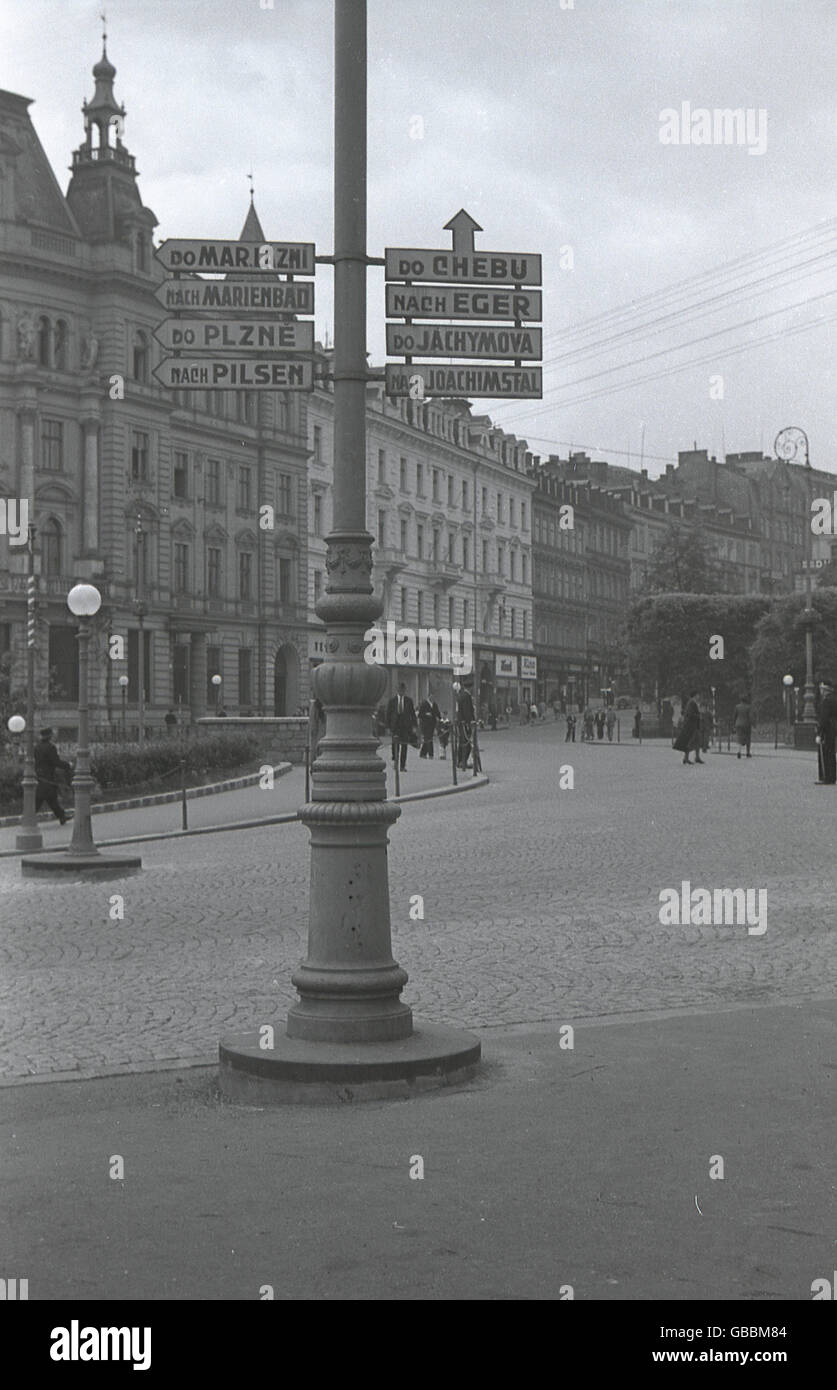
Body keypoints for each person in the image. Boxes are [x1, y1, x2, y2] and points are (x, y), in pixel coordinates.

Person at [34, 728, 72, 824]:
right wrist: (68, 765)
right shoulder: (50, 747)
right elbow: (55, 762)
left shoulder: (36, 747)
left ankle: (62, 817)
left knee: (51, 798)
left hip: (39, 776)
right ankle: (28, 818)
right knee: (40, 799)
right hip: (47, 777)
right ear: (50, 736)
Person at [386, 681, 416, 772]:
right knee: (395, 745)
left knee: (404, 746)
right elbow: (388, 714)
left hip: (405, 727)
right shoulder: (392, 701)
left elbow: (412, 714)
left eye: (403, 690)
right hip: (395, 726)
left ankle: (402, 766)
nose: (401, 691)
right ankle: (395, 760)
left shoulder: (409, 701)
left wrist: (414, 726)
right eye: (399, 690)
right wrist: (388, 727)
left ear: (404, 690)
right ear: (397, 690)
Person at [816, 678, 837, 784]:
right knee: (831, 753)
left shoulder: (826, 701)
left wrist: (819, 732)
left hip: (827, 729)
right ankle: (832, 776)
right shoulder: (835, 698)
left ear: (825, 689)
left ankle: (826, 777)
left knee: (825, 753)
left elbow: (824, 718)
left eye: (821, 688)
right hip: (834, 728)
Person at [673, 691, 703, 765]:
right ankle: (686, 758)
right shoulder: (691, 703)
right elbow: (690, 714)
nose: (699, 696)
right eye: (698, 695)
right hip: (691, 726)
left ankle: (697, 757)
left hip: (694, 726)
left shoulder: (692, 703)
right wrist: (699, 716)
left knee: (697, 742)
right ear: (695, 695)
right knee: (690, 742)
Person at [455, 682, 475, 769]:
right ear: (470, 688)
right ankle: (462, 762)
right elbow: (467, 711)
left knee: (462, 743)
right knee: (466, 744)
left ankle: (460, 761)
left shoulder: (461, 695)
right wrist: (469, 722)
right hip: (464, 724)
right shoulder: (467, 697)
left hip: (461, 723)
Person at [733, 695, 752, 760]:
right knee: (748, 738)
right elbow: (750, 717)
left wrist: (734, 724)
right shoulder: (748, 707)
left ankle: (739, 751)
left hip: (738, 724)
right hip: (746, 725)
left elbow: (735, 716)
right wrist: (752, 724)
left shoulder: (737, 707)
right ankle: (748, 753)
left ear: (741, 700)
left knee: (739, 738)